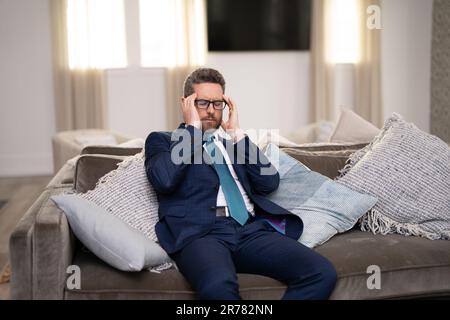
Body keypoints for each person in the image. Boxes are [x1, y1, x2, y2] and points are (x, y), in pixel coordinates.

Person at [144, 68, 337, 300]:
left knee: (321, 272)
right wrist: (192, 131)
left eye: (217, 104)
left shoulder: (233, 145)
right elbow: (164, 180)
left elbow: (269, 182)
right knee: (218, 287)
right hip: (201, 234)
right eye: (203, 103)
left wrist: (237, 134)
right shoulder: (164, 141)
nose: (211, 111)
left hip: (249, 229)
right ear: (186, 103)